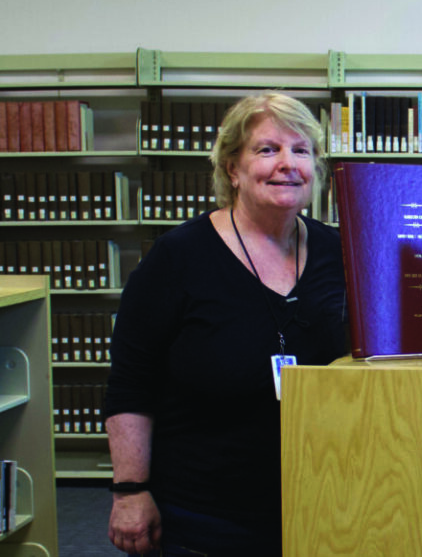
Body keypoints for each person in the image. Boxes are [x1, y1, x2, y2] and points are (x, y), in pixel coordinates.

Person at [105, 92, 348, 556]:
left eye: (301, 151)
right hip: (204, 514)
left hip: (322, 497)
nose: (287, 164)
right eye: (267, 149)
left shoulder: (341, 253)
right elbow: (131, 382)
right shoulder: (178, 258)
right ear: (232, 169)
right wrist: (130, 491)